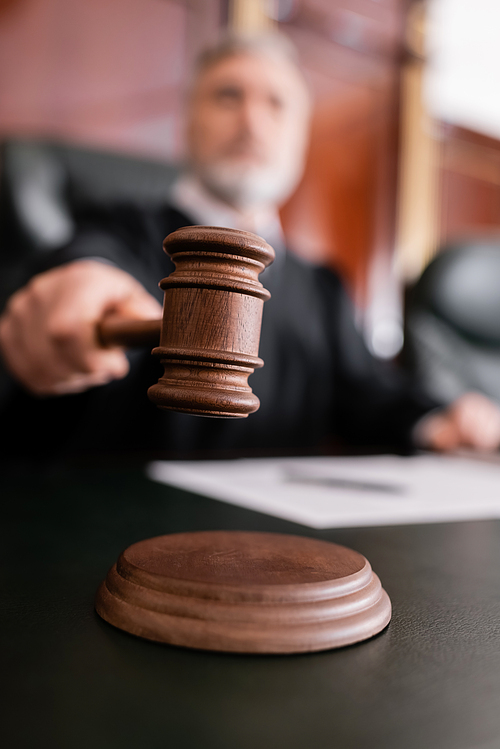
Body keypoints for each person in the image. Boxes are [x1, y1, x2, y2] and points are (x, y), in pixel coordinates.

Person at [1, 33, 500, 461]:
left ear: (300, 140)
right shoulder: (116, 225)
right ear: (187, 123)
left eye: (276, 104)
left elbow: (370, 395)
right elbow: (88, 263)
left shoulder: (322, 285)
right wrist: (81, 281)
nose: (252, 122)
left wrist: (440, 419)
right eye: (227, 96)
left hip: (275, 552)